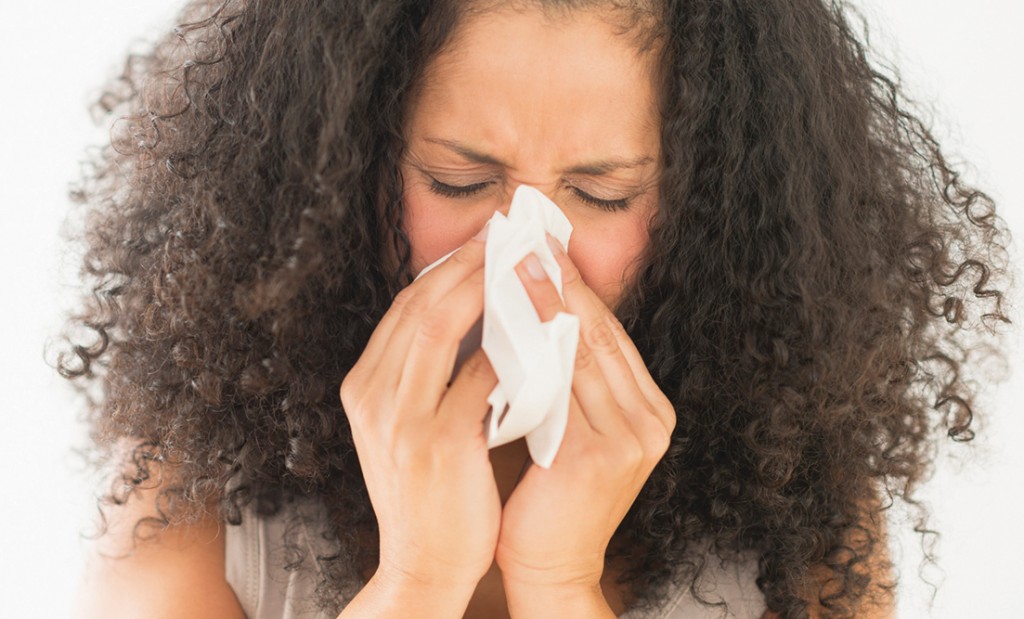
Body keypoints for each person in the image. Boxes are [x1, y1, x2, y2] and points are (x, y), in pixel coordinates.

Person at [58, 0, 1013, 618]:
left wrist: (558, 583)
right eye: (459, 179)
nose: (527, 251)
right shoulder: (192, 489)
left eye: (601, 195)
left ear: (701, 204)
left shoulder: (797, 498)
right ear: (339, 169)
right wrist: (419, 581)